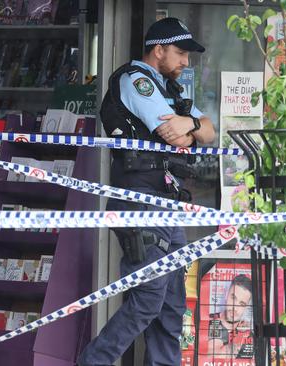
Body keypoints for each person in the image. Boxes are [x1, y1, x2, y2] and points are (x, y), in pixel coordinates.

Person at [78, 17, 215, 366]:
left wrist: (193, 124)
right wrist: (187, 127)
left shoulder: (170, 89)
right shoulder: (136, 80)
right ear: (159, 50)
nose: (186, 63)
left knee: (171, 304)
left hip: (167, 203)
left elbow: (210, 131)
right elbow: (174, 134)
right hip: (139, 201)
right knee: (149, 298)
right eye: (181, 53)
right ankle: (94, 361)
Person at [208, 274, 253, 358]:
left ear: (246, 307)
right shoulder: (208, 321)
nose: (234, 307)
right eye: (233, 298)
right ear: (226, 295)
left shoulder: (248, 333)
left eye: (242, 304)